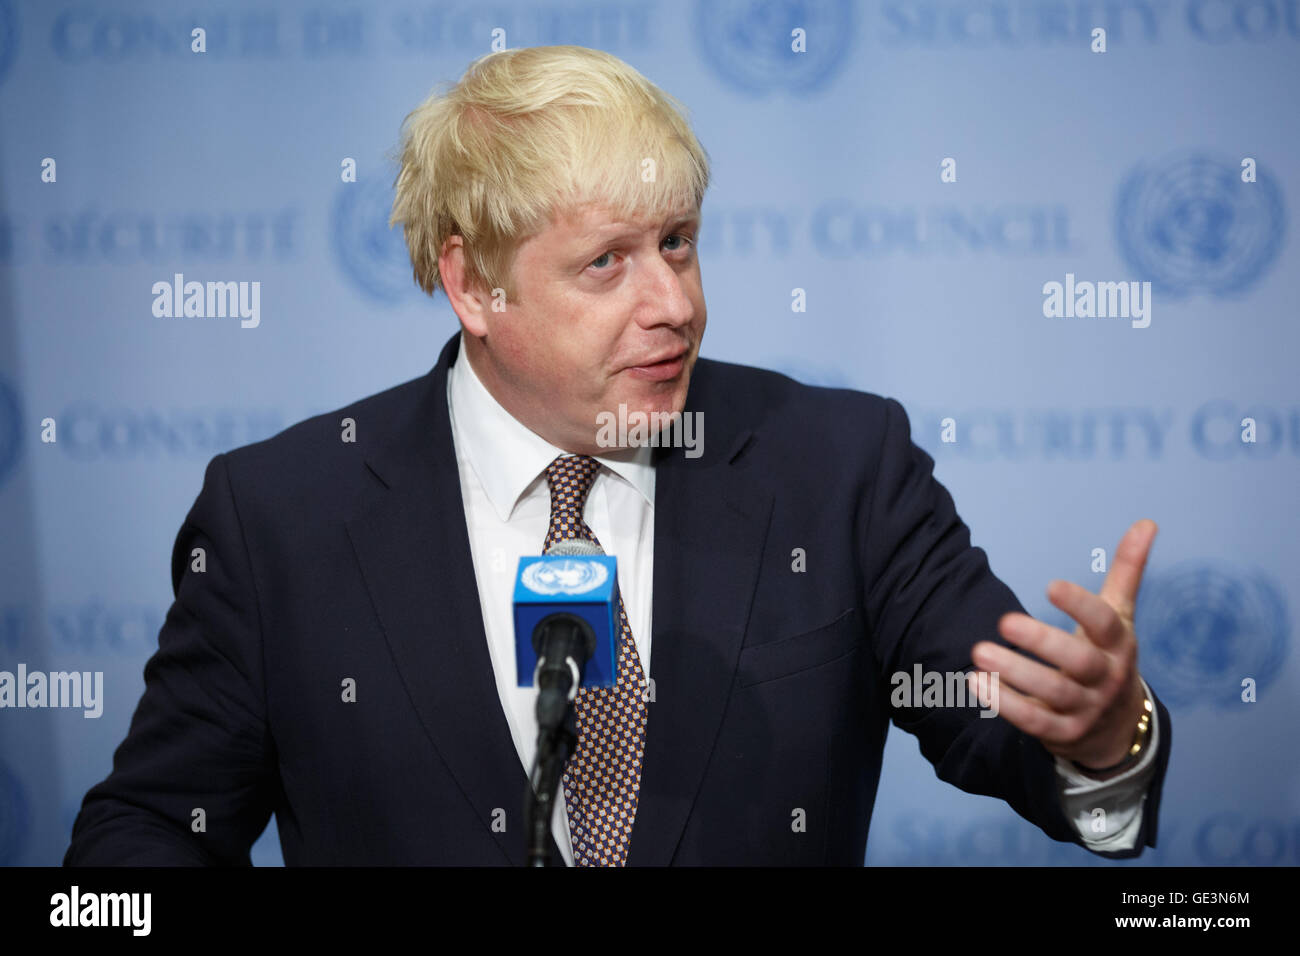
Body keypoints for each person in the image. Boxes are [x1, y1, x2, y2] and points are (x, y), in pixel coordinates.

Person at [65, 45, 1170, 867]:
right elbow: (148, 831)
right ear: (471, 286)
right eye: (607, 262)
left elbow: (1015, 733)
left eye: (679, 244)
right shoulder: (282, 518)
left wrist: (1101, 734)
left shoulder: (837, 467)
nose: (674, 305)